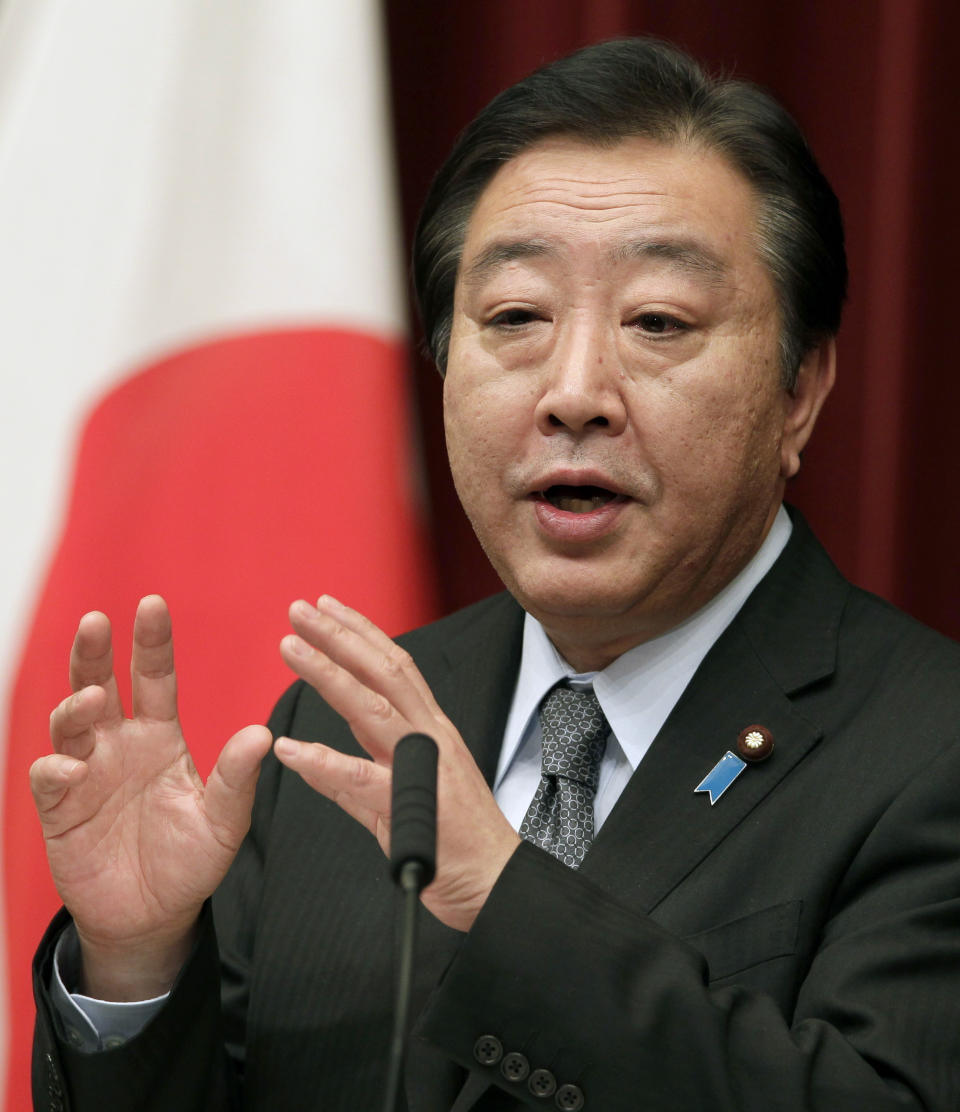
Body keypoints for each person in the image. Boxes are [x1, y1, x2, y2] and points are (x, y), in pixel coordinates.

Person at [31, 37, 960, 1112]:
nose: (575, 392)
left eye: (659, 322)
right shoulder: (341, 737)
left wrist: (511, 902)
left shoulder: (928, 752)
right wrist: (137, 966)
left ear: (799, 390)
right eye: (516, 318)